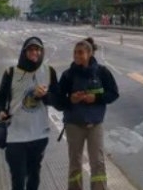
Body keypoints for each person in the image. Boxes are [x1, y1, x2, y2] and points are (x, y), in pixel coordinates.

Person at [0, 36, 59, 190]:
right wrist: (0, 111)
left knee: (34, 174)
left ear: (41, 52)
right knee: (18, 176)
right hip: (15, 135)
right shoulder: (11, 73)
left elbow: (58, 101)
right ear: (24, 52)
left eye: (37, 49)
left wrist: (45, 96)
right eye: (31, 49)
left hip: (39, 135)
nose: (34, 52)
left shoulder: (49, 72)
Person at [57, 37, 119, 190]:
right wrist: (70, 99)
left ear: (89, 54)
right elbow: (58, 100)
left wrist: (96, 98)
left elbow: (114, 94)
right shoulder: (68, 75)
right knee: (75, 163)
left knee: (97, 162)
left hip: (95, 125)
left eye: (81, 53)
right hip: (73, 125)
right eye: (75, 53)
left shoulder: (102, 72)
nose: (77, 56)